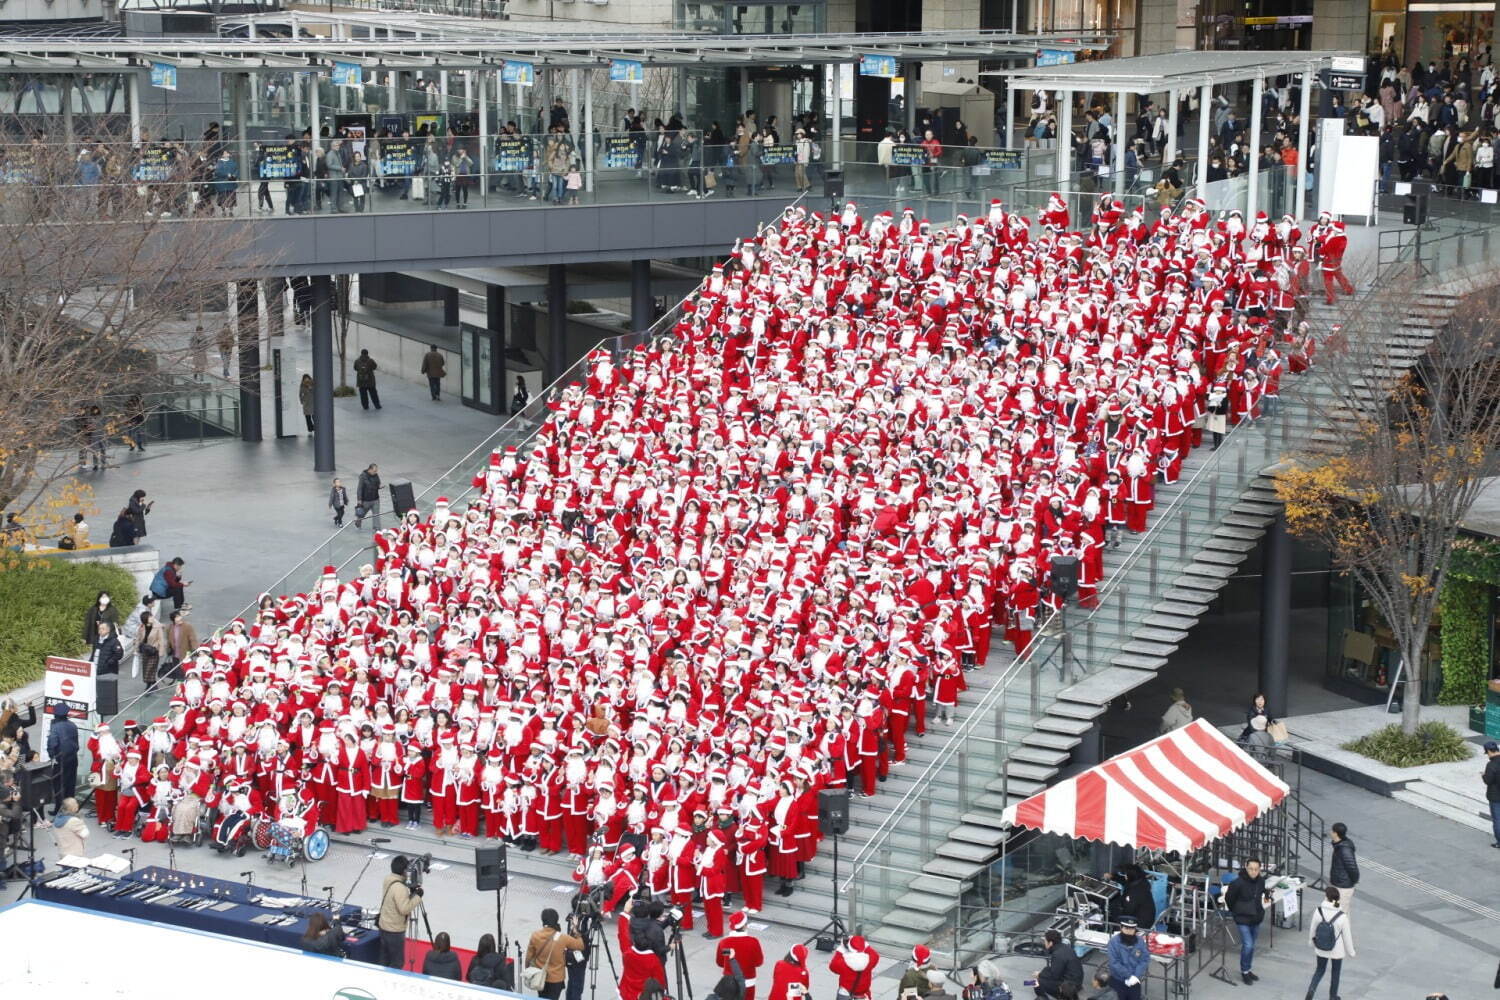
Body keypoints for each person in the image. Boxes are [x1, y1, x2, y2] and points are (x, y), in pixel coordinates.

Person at [1223, 858, 1274, 984]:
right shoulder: (1237, 883)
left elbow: (1262, 892)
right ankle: (1244, 971)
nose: (1253, 872)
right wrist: (1236, 910)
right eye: (1251, 869)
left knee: (1251, 946)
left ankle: (1248, 968)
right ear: (1246, 867)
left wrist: (1267, 894)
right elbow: (1229, 898)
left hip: (1256, 917)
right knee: (1248, 945)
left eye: (1256, 869)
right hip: (1242, 918)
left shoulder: (1261, 881)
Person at [1305, 886, 1354, 1000]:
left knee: (1320, 970)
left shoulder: (1319, 911)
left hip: (1321, 947)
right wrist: (1351, 952)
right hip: (1337, 949)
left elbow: (1313, 928)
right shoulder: (1342, 916)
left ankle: (1311, 990)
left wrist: (1311, 941)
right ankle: (1333, 996)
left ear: (1327, 897)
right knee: (1335, 972)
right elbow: (1347, 937)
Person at [377, 855, 425, 969]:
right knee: (397, 962)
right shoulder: (400, 888)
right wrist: (417, 897)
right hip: (394, 930)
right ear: (404, 871)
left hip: (384, 925)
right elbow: (404, 909)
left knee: (384, 959)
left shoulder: (388, 879)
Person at [527, 908, 585, 999]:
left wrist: (529, 970)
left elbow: (529, 957)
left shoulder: (535, 935)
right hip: (556, 979)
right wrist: (575, 929)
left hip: (540, 976)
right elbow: (580, 945)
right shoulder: (562, 938)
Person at [716, 910, 765, 1000]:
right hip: (748, 981)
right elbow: (759, 962)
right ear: (745, 925)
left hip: (729, 983)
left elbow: (720, 962)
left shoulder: (724, 942)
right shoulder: (753, 942)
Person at [45, 703, 79, 814]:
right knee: (70, 783)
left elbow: (51, 745)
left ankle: (59, 809)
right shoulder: (73, 725)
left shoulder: (55, 727)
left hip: (60, 760)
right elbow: (77, 745)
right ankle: (71, 808)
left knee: (59, 785)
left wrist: (52, 757)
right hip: (73, 758)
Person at [1105, 916, 1149, 1000]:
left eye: (1132, 929)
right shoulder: (1113, 942)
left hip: (1135, 980)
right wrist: (1128, 976)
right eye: (1126, 928)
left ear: (1135, 929)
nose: (1129, 931)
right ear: (1121, 928)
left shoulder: (1140, 941)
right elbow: (1114, 962)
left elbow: (1144, 959)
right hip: (1118, 980)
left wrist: (1136, 976)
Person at [1032, 929, 1082, 999]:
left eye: (1045, 941)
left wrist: (1039, 974)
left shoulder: (1057, 955)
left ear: (1051, 943)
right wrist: (1042, 973)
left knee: (1035, 982)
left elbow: (1055, 975)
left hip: (1068, 985)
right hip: (1075, 979)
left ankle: (1042, 998)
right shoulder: (1064, 947)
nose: (1044, 943)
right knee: (1045, 970)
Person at [830, 934, 879, 1000]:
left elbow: (832, 966)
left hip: (845, 991)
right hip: (862, 992)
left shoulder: (844, 962)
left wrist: (841, 950)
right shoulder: (870, 960)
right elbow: (874, 954)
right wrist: (863, 944)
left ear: (849, 947)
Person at [1327, 823, 1359, 913]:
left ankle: (1340, 927)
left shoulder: (1344, 849)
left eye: (1332, 831)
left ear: (1336, 833)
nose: (1330, 832)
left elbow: (1352, 867)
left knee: (1341, 914)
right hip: (1337, 884)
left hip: (1343, 887)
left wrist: (1353, 881)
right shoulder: (1339, 845)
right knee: (1336, 911)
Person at [1115, 865, 1157, 930]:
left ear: (1131, 876)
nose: (1125, 877)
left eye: (1126, 875)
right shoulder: (1142, 882)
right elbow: (1125, 881)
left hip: (1141, 924)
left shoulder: (1135, 892)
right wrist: (1113, 877)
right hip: (1148, 919)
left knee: (1114, 916)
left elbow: (1128, 910)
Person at [136, 609, 166, 688]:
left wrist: (161, 652)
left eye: (152, 616)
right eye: (150, 617)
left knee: (150, 669)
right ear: (145, 619)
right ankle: (153, 683)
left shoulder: (157, 627)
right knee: (146, 668)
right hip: (145, 651)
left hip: (153, 651)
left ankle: (148, 686)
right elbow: (138, 638)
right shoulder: (142, 627)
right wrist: (136, 650)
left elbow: (161, 639)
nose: (152, 618)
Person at [1484, 740, 1500, 848]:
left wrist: (1483, 776)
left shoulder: (1491, 765)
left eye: (1487, 753)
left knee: (1497, 820)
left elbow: (1488, 781)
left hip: (1495, 797)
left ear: (1489, 751)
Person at [356, 463, 382, 528]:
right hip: (366, 500)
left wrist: (379, 486)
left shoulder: (376, 475)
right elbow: (359, 489)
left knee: (376, 515)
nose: (376, 472)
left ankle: (377, 528)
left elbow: (378, 483)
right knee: (361, 514)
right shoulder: (363, 476)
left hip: (375, 499)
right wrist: (359, 500)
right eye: (374, 471)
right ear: (370, 470)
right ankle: (358, 521)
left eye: (376, 471)